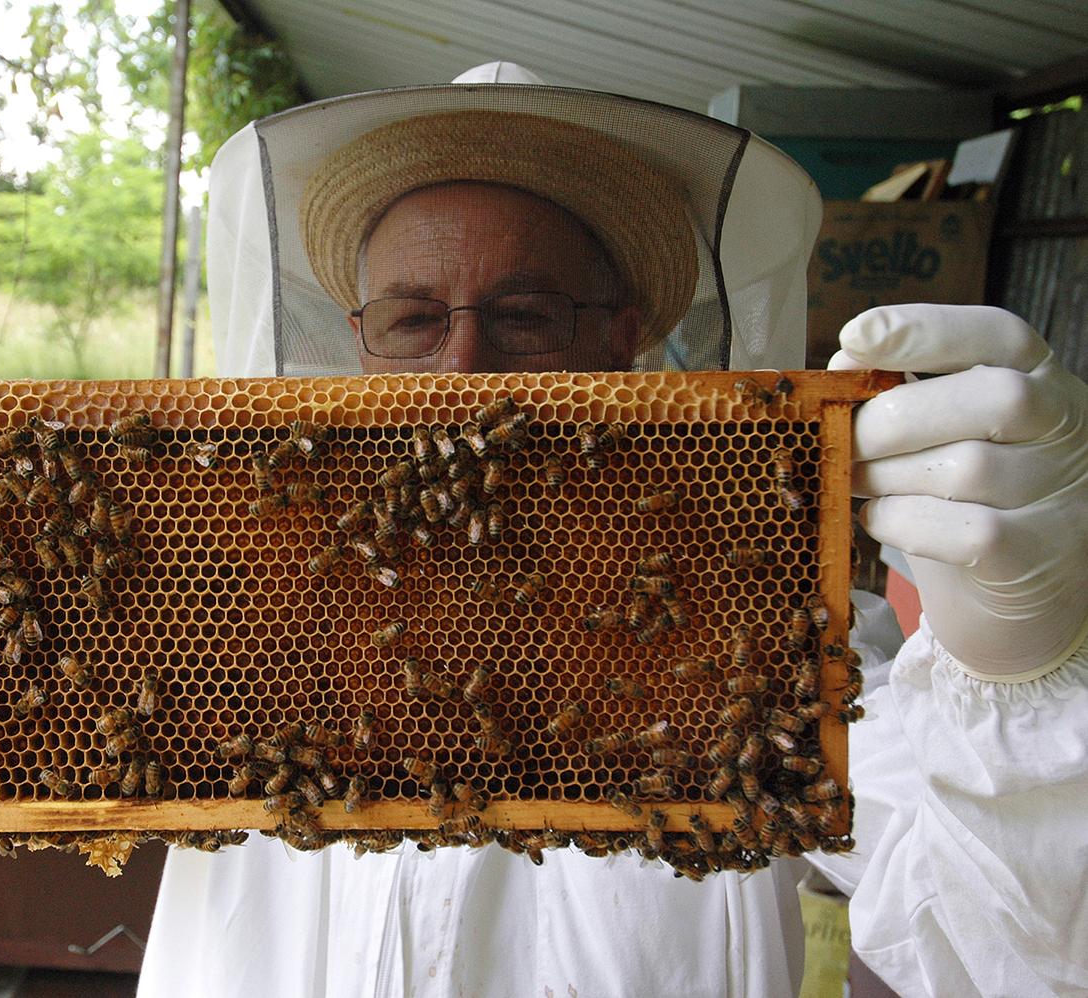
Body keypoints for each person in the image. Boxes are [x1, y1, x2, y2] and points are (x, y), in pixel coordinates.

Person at [133, 64, 1088, 997]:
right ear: (357, 339)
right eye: (414, 317)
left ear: (622, 337)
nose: (465, 370)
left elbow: (1019, 958)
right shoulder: (237, 616)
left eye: (525, 314)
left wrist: (1024, 676)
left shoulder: (757, 638)